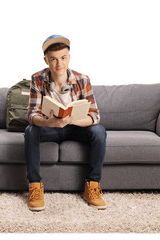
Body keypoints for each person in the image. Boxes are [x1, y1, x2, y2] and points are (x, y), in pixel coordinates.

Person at [24, 35, 107, 211]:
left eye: (63, 58)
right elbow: (32, 115)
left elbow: (95, 115)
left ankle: (92, 186)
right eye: (53, 59)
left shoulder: (82, 79)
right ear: (46, 60)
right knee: (31, 130)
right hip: (50, 128)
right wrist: (50, 123)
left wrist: (74, 119)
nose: (58, 64)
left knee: (99, 131)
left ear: (69, 57)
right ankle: (35, 186)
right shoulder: (37, 79)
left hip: (76, 128)